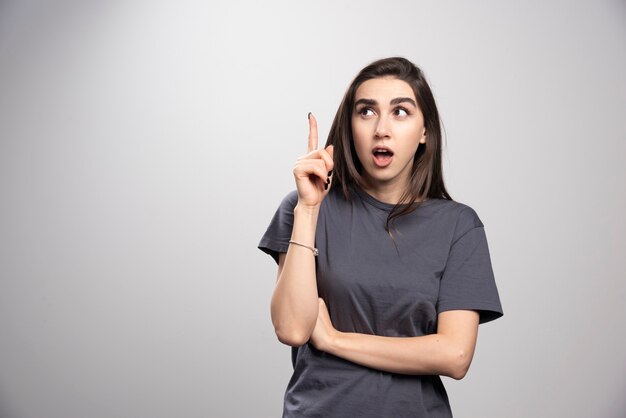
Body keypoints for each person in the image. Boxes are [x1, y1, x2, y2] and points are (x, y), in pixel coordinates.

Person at [258, 56, 503, 417]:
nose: (381, 130)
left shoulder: (458, 226)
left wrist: (334, 340)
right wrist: (309, 209)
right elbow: (293, 328)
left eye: (400, 112)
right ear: (350, 125)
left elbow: (455, 356)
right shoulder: (305, 209)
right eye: (367, 112)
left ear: (424, 131)